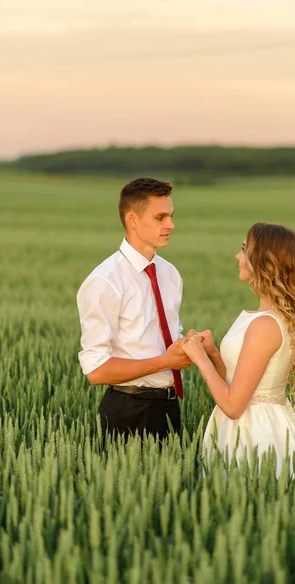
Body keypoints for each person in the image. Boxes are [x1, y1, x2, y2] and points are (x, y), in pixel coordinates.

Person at [182, 223, 295, 477]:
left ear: (263, 262)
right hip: (253, 423)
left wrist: (200, 359)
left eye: (244, 249)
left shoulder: (265, 325)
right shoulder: (264, 318)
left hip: (254, 432)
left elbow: (234, 405)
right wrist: (213, 354)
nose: (238, 256)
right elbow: (242, 381)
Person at [76, 177, 191, 443]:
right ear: (133, 220)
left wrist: (187, 345)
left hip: (170, 406)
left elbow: (165, 336)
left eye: (171, 216)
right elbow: (96, 370)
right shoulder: (104, 281)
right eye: (160, 217)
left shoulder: (170, 274)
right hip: (128, 409)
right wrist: (167, 362)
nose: (171, 225)